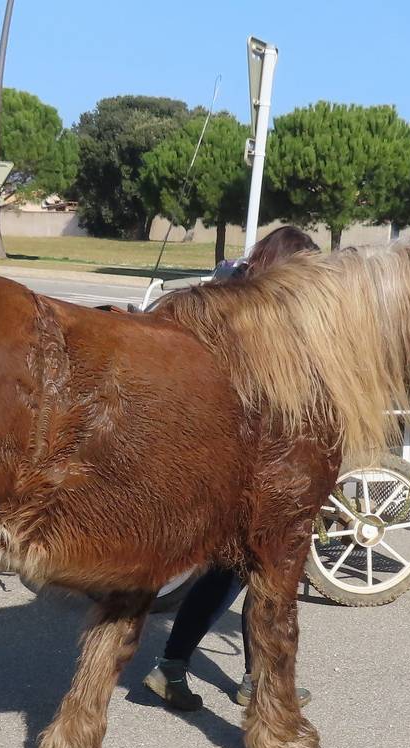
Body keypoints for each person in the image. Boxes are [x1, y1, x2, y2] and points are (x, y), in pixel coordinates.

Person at [142, 226, 321, 711]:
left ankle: (179, 667)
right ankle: (250, 680)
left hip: (220, 459)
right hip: (243, 466)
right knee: (262, 567)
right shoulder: (262, 314)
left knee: (231, 571)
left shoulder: (227, 294)